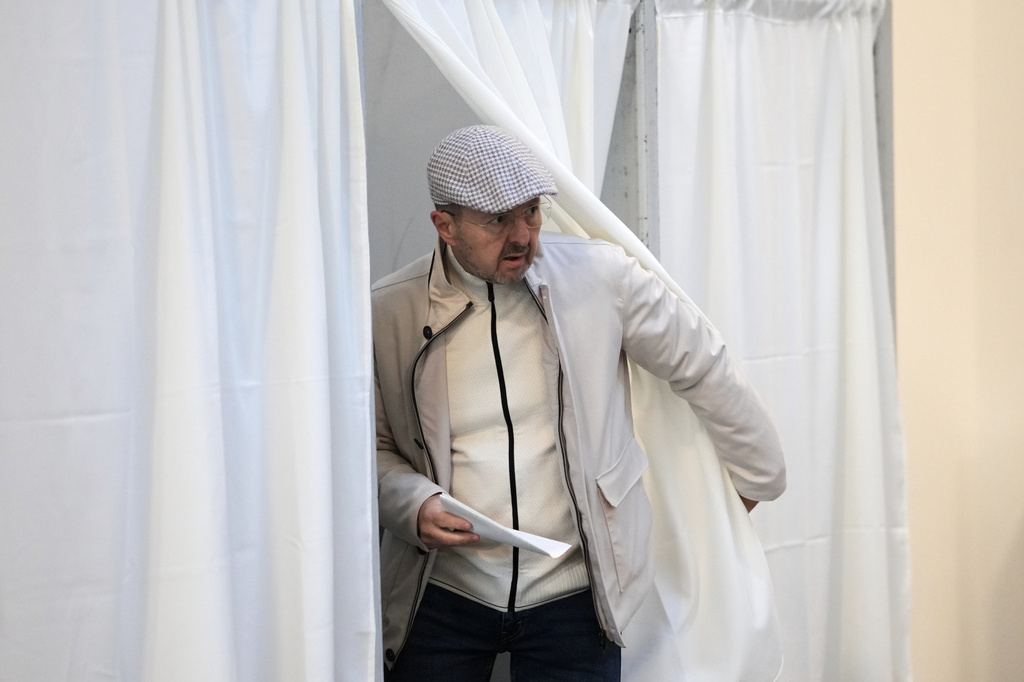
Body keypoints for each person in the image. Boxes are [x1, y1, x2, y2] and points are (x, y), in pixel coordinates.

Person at [372, 125, 786, 681]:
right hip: (441, 593)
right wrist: (411, 504)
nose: (523, 235)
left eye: (532, 212)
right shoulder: (386, 312)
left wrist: (757, 477)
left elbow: (703, 364)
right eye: (497, 219)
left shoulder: (599, 277)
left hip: (575, 592)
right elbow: (367, 448)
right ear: (444, 225)